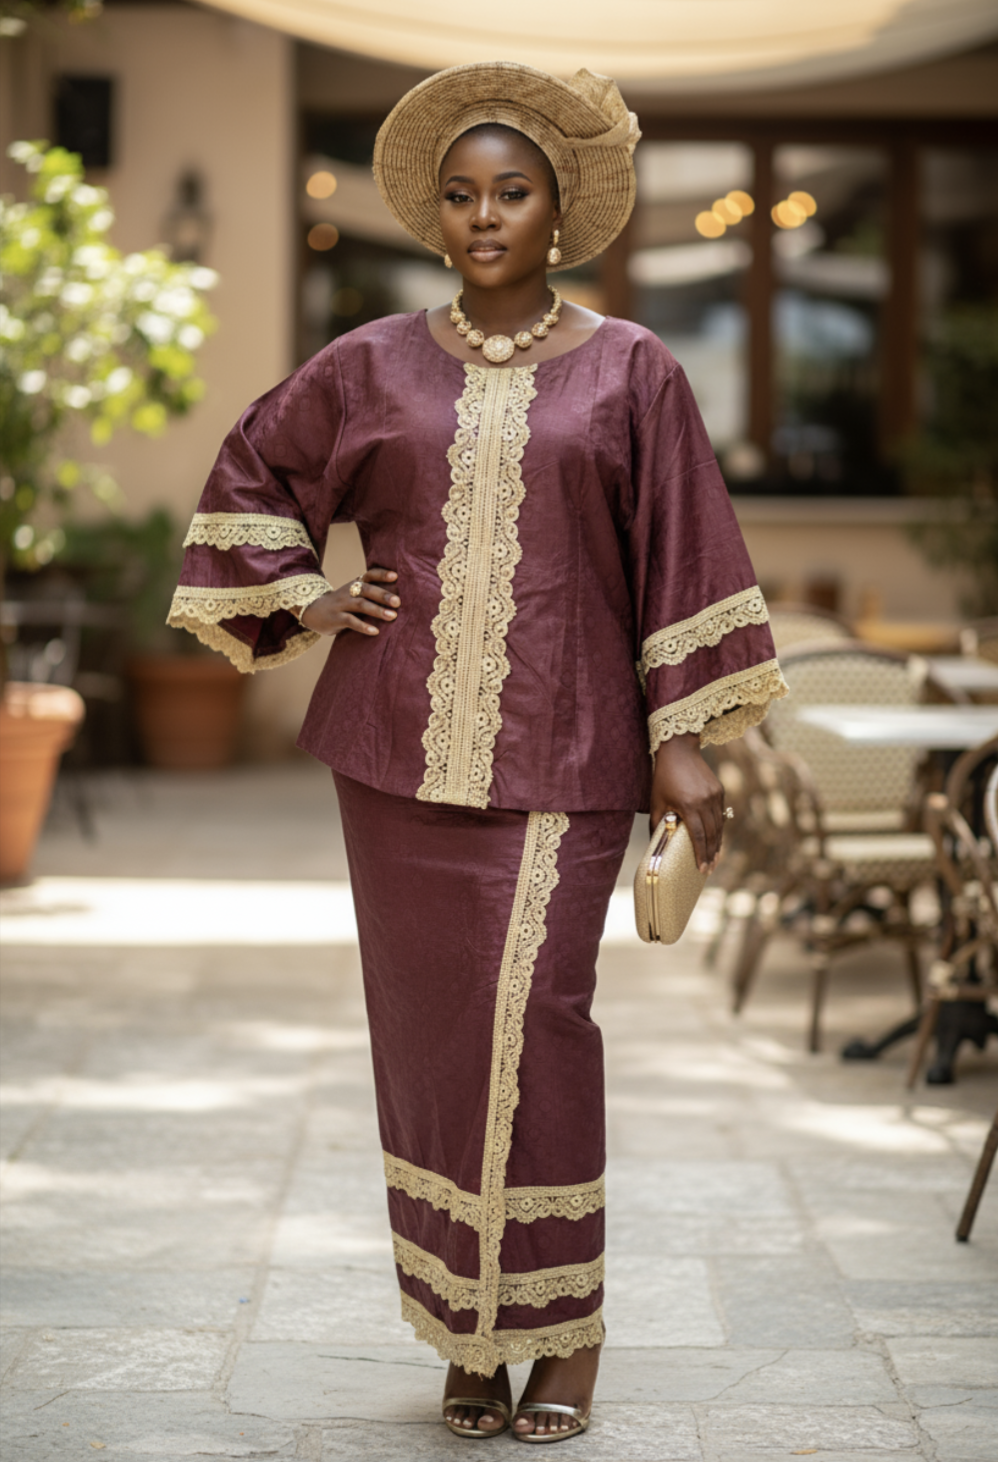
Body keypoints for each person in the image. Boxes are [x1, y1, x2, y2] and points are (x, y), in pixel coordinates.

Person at [169, 61, 786, 1444]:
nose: (483, 215)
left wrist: (682, 741)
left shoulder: (634, 368)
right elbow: (253, 473)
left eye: (510, 193)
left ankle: (561, 1329)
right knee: (434, 1044)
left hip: (571, 759)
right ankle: (465, 1328)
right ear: (434, 217)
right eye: (460, 196)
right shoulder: (371, 362)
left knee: (542, 1020)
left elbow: (679, 551)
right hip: (392, 761)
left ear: (559, 210)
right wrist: (308, 596)